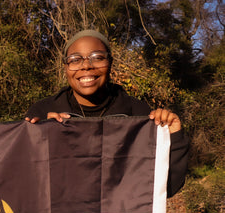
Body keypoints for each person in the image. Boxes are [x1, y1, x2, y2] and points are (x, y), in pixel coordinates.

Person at [25, 29, 189, 197]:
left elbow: (165, 188)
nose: (86, 65)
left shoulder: (138, 114)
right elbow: (25, 184)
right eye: (75, 60)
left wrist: (174, 136)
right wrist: (34, 140)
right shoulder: (43, 111)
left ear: (110, 62)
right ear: (66, 68)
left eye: (97, 57)